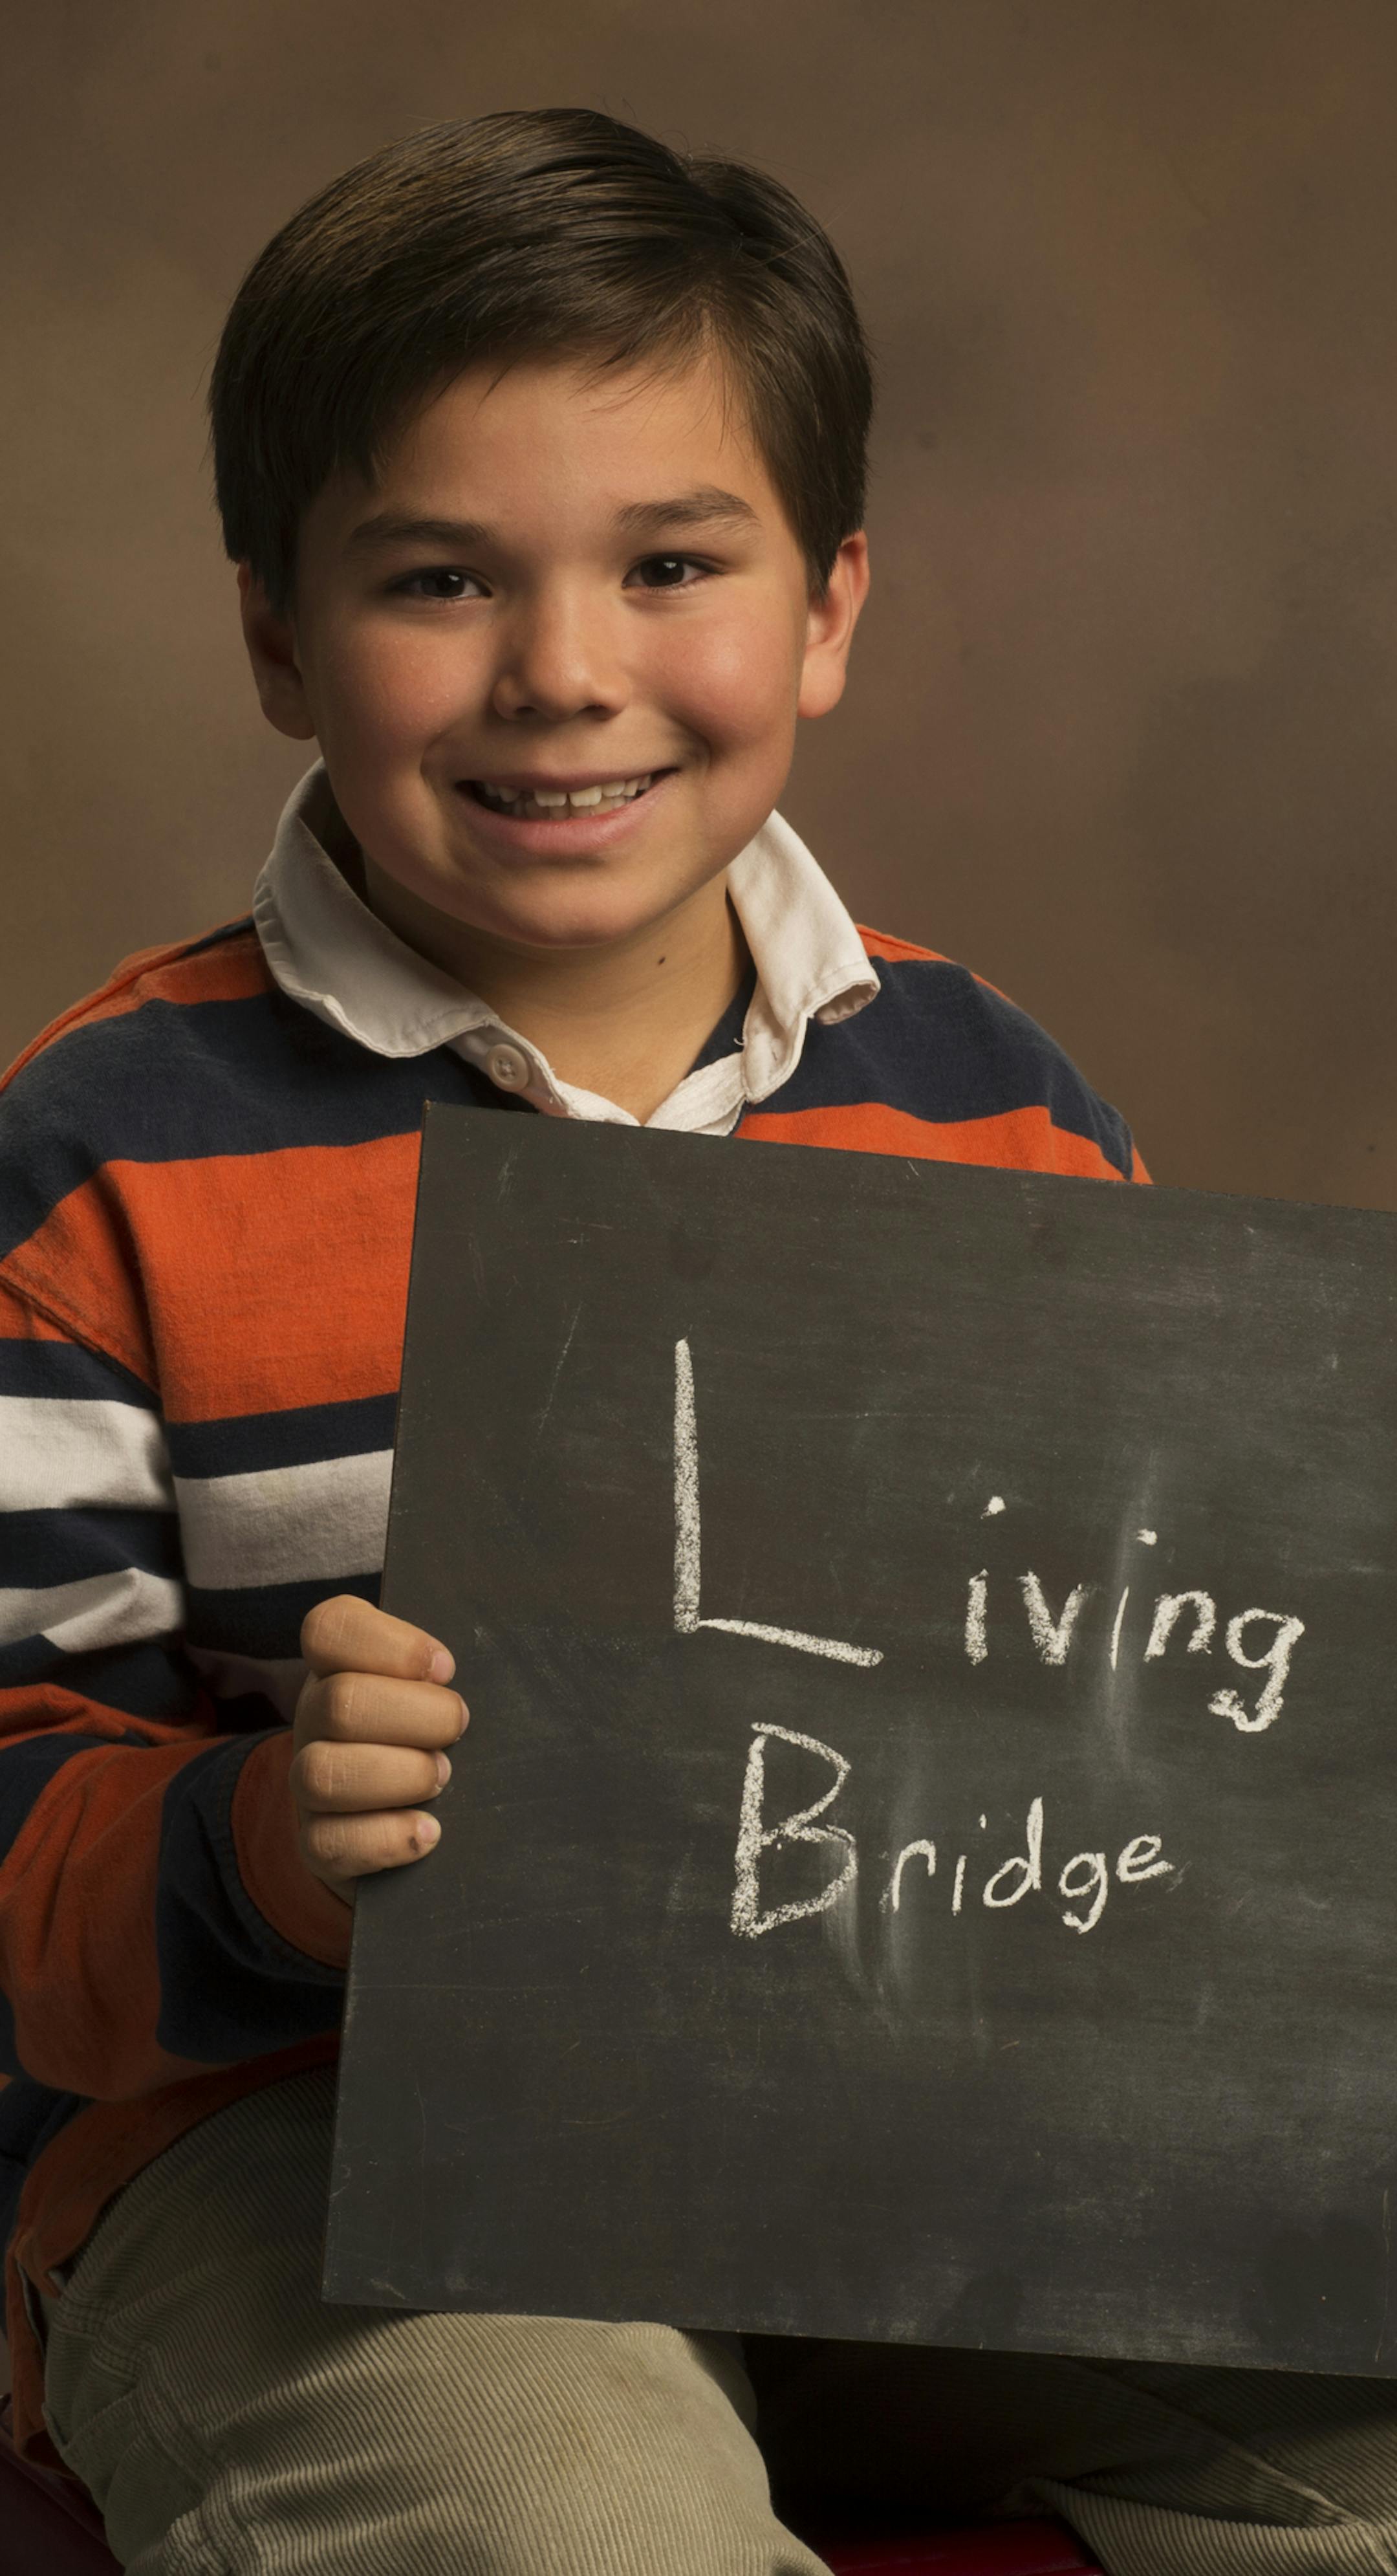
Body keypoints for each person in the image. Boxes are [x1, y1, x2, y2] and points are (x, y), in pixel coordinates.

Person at [0, 104, 1382, 2576]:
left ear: (828, 605)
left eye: (670, 564)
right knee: (559, 2518)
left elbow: (1155, 1729)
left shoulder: (1001, 1104)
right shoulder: (98, 1162)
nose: (564, 674)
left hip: (915, 2114)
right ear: (276, 636)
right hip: (299, 2145)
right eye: (440, 577)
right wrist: (264, 1853)